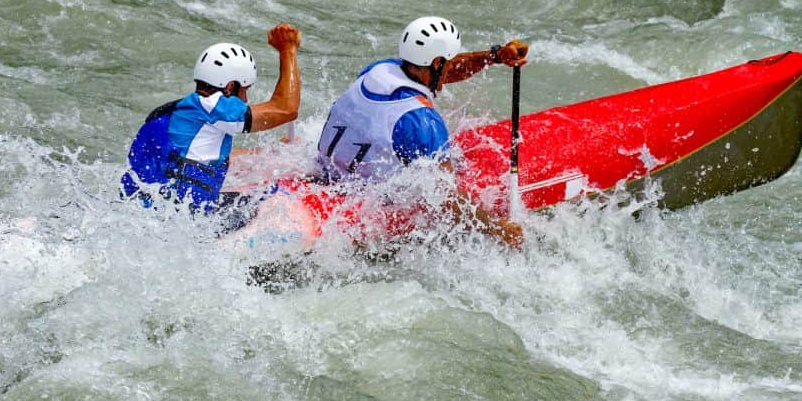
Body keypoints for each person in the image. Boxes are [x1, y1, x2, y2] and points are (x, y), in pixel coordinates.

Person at [315, 16, 526, 247]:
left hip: (326, 176)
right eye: (449, 60)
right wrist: (499, 229)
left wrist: (494, 56)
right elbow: (447, 199)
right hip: (365, 201)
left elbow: (447, 69)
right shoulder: (422, 121)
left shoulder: (379, 70)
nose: (452, 67)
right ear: (437, 62)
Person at [121, 23, 301, 212]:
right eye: (244, 91)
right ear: (230, 87)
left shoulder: (178, 111)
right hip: (189, 222)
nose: (246, 99)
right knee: (276, 200)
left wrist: (272, 152)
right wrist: (287, 49)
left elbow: (202, 156)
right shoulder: (215, 107)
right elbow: (286, 109)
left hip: (150, 212)